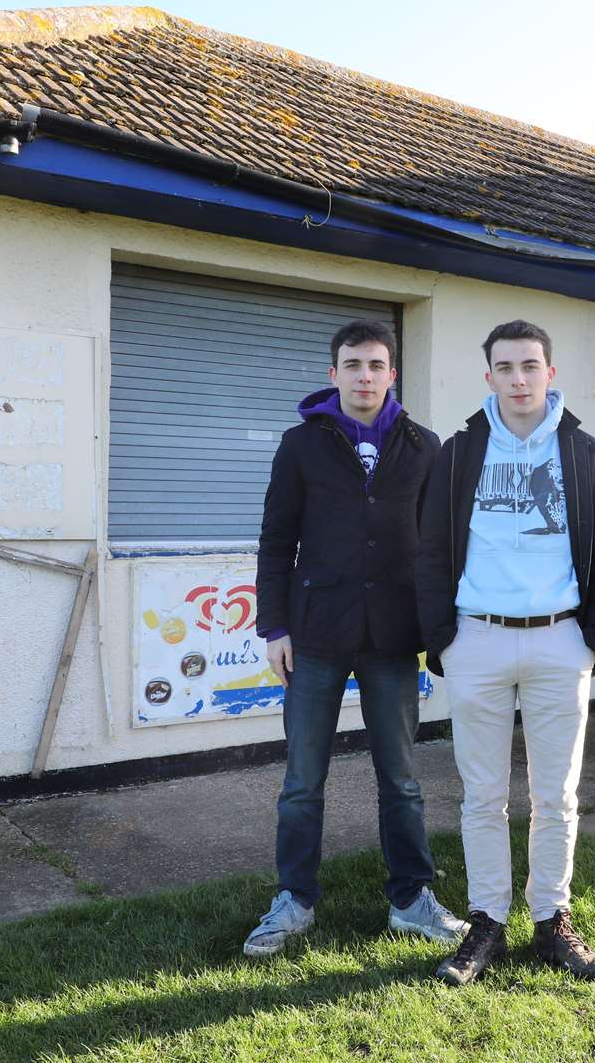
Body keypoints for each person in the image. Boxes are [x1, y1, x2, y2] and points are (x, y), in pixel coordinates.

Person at [243, 319, 468, 957]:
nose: (364, 376)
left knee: (400, 777)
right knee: (301, 779)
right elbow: (275, 541)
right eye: (352, 365)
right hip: (314, 635)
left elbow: (438, 550)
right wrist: (275, 626)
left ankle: (410, 898)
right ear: (332, 373)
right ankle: (294, 900)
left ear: (392, 374)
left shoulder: (424, 448)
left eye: (376, 365)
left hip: (394, 638)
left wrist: (438, 629)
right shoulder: (300, 446)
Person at [416, 319, 595, 985]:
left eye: (530, 366)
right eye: (505, 368)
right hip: (476, 638)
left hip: (560, 640)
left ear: (550, 373)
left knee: (555, 796)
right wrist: (442, 639)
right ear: (489, 378)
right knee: (482, 796)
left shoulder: (587, 453)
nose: (518, 379)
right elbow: (427, 552)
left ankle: (551, 921)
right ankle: (486, 922)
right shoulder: (456, 454)